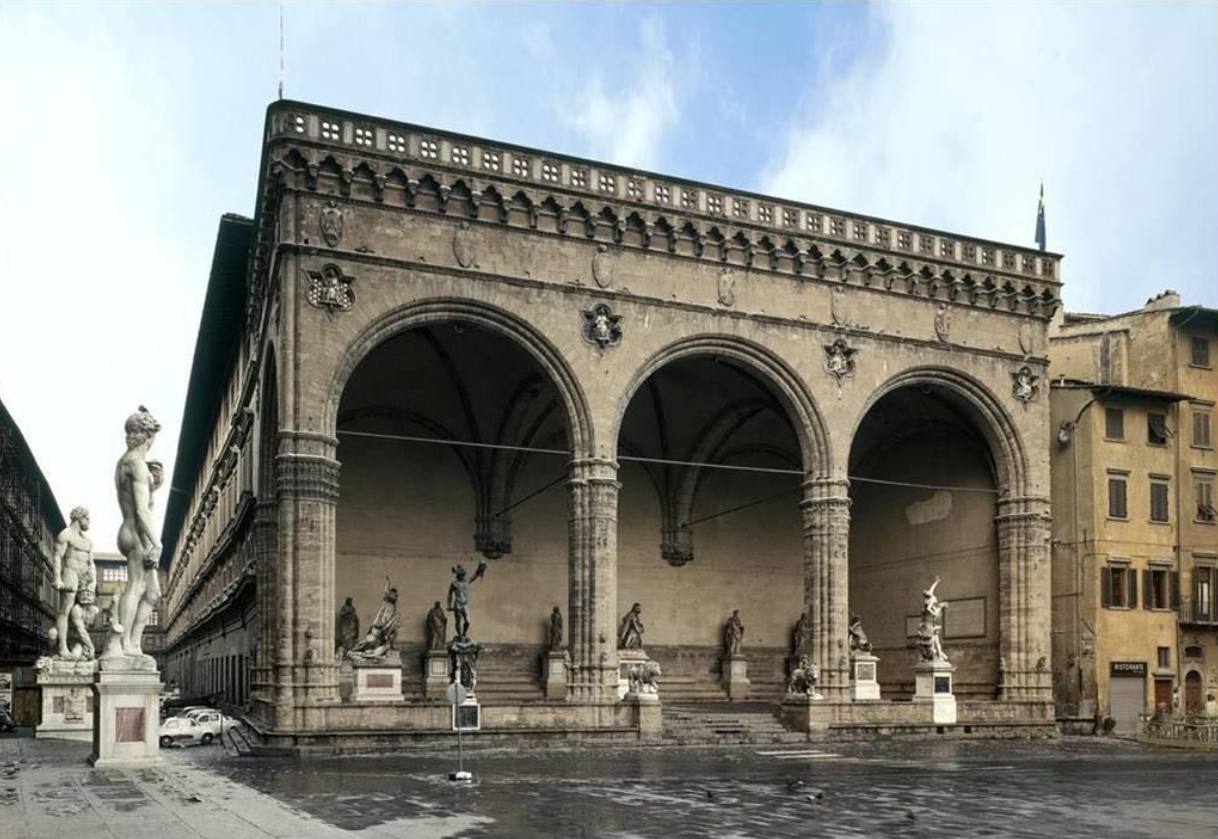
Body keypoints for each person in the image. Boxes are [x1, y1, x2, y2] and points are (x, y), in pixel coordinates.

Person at [114, 406, 163, 657]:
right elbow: (142, 512)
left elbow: (134, 501)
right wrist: (158, 544)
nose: (153, 442)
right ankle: (123, 645)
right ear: (146, 436)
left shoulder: (125, 462)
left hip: (132, 531)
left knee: (153, 593)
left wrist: (154, 488)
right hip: (137, 534)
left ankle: (134, 643)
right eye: (153, 436)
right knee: (135, 586)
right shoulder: (138, 465)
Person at [51, 506, 96, 659]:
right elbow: (57, 557)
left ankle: (78, 643)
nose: (89, 521)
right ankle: (63, 647)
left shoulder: (88, 541)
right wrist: (57, 578)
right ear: (78, 517)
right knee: (66, 609)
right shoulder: (66, 535)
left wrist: (93, 581)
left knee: (82, 611)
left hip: (85, 577)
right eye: (87, 518)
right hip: (70, 572)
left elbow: (92, 563)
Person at [447, 561, 488, 640]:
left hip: (465, 604)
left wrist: (480, 569)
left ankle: (464, 634)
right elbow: (449, 594)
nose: (463, 576)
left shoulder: (466, 581)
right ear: (458, 575)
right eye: (461, 575)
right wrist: (449, 604)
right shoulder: (454, 583)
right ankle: (460, 636)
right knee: (458, 620)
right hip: (457, 604)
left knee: (467, 622)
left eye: (463, 574)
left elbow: (475, 575)